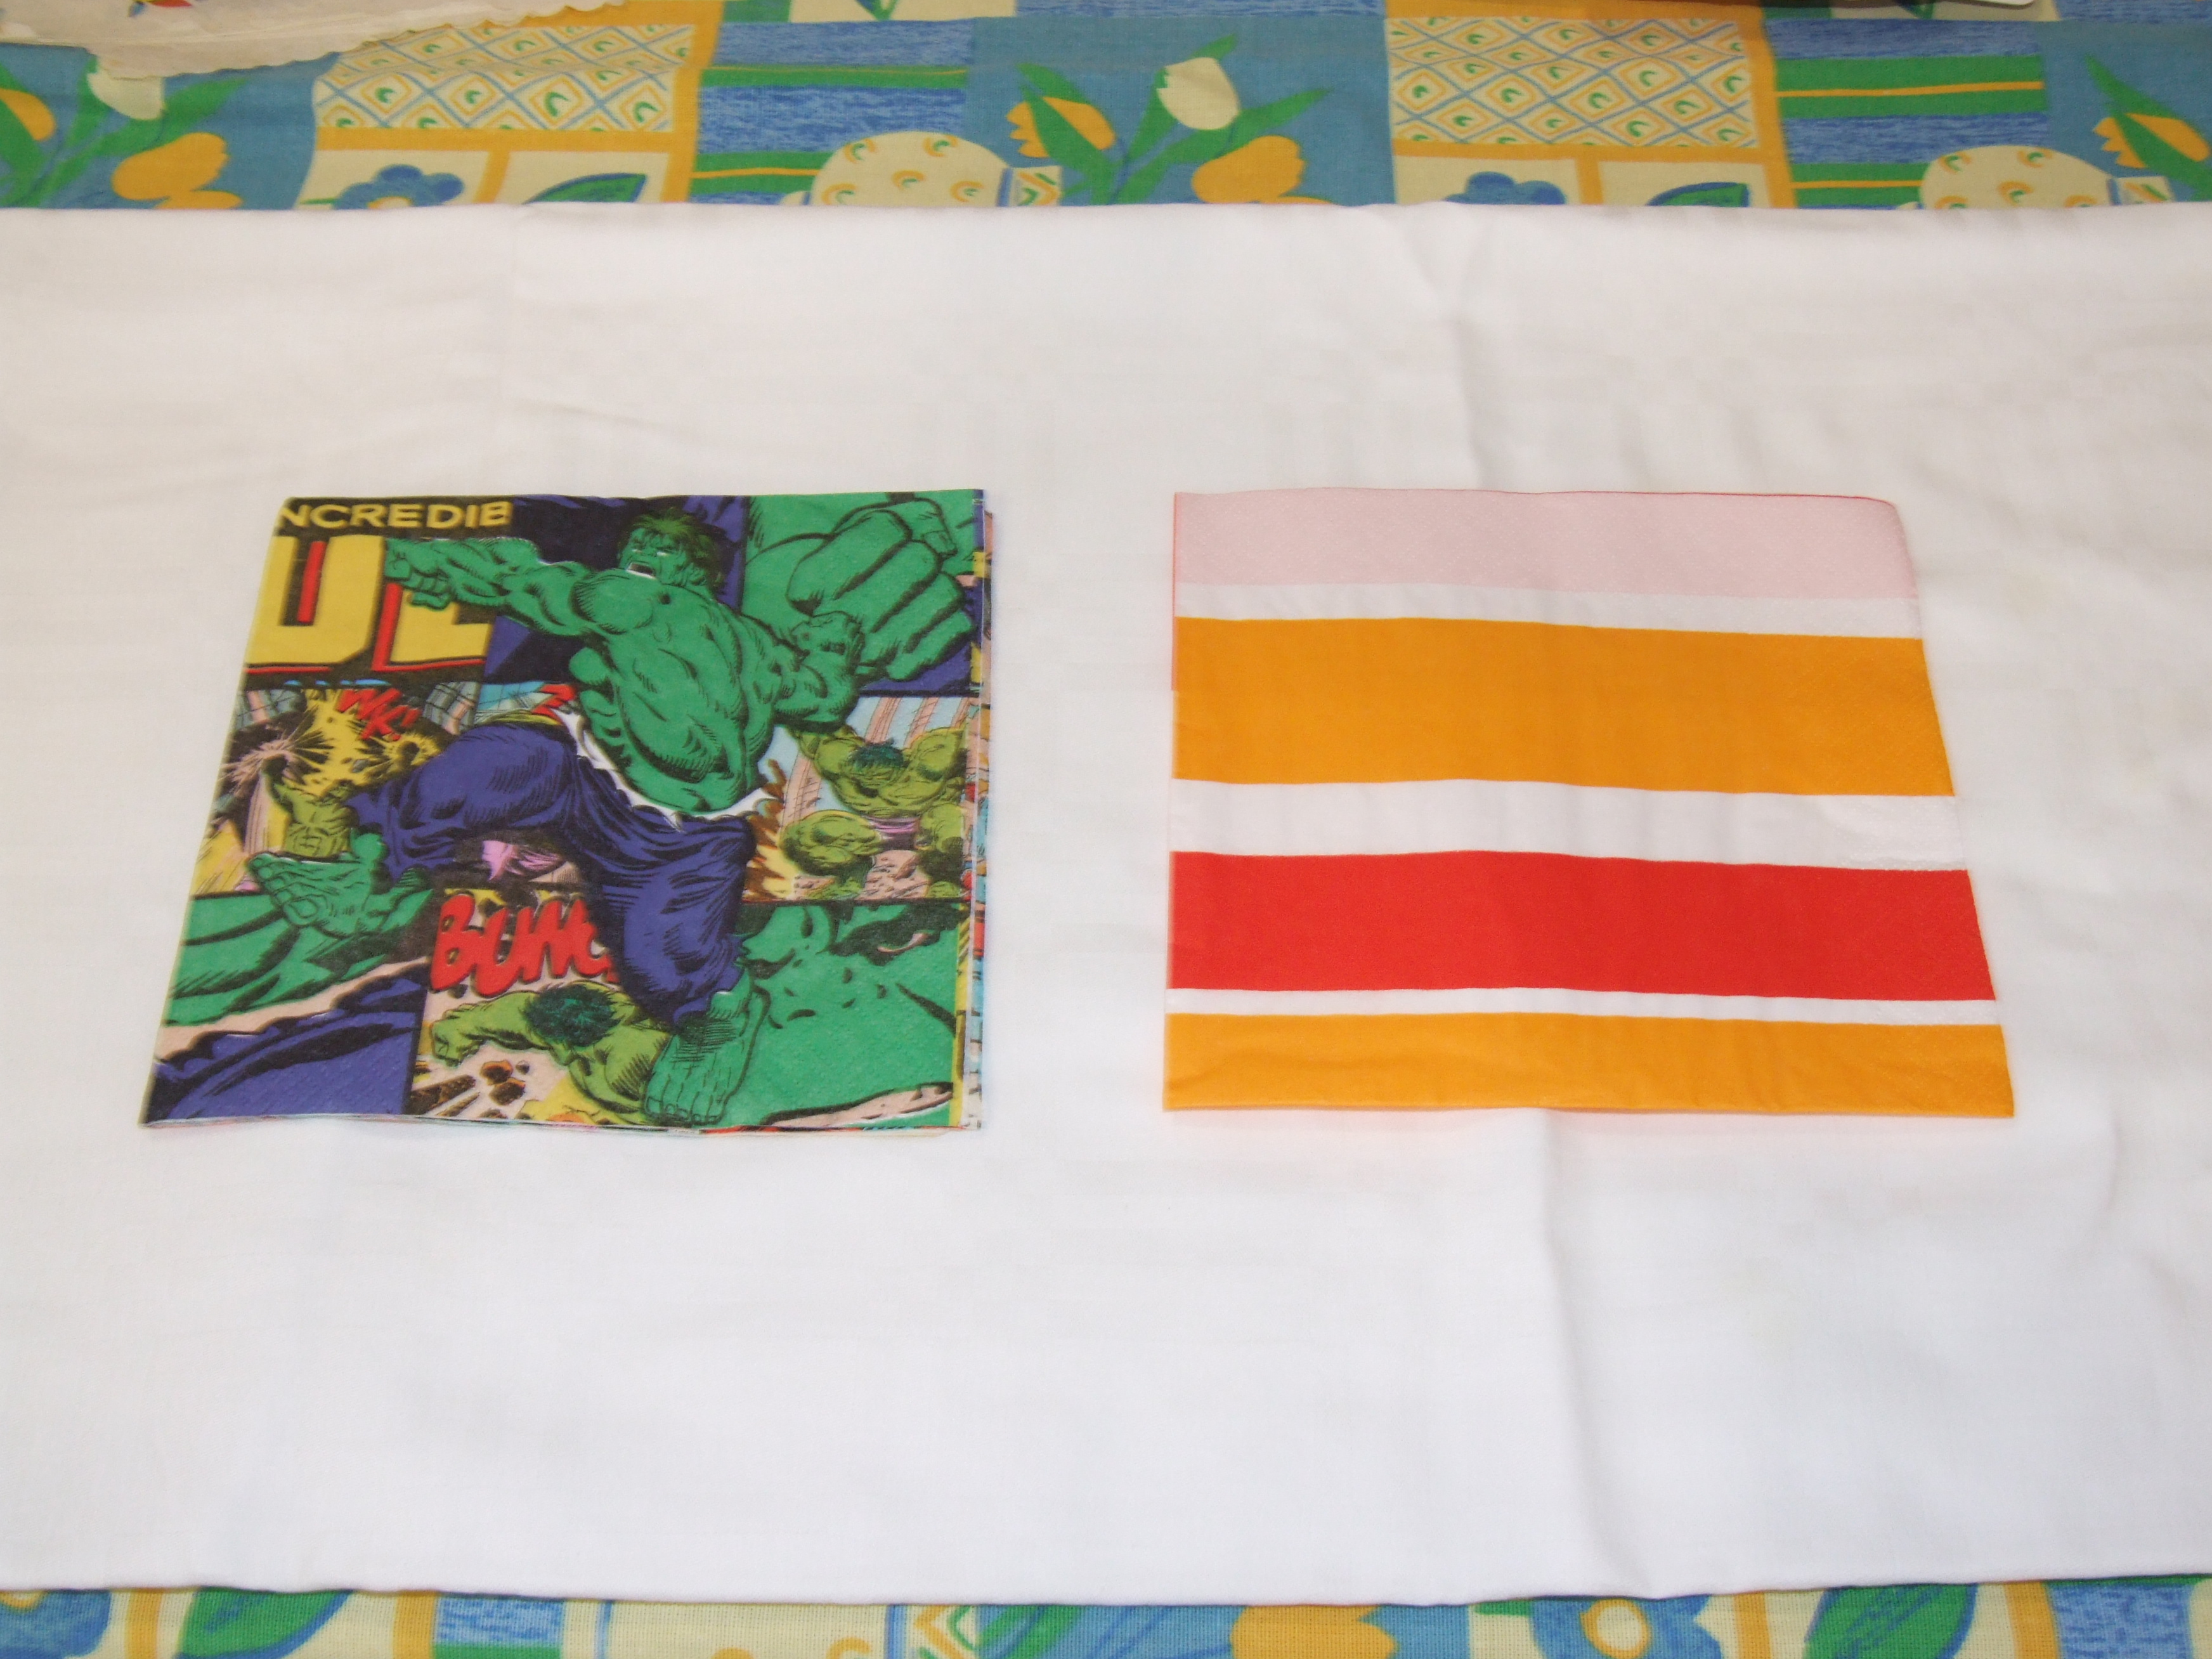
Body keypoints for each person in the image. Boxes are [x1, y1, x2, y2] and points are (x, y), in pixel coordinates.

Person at [247, 497, 972, 1126]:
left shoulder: (648, 603)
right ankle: (370, 873)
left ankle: (720, 1014)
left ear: (693, 573)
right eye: (636, 544)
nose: (639, 555)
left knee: (665, 962)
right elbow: (817, 690)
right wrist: (833, 637)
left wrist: (424, 560)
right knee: (492, 761)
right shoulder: (735, 636)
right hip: (584, 770)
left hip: (677, 835)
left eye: (659, 548)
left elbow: (525, 581)